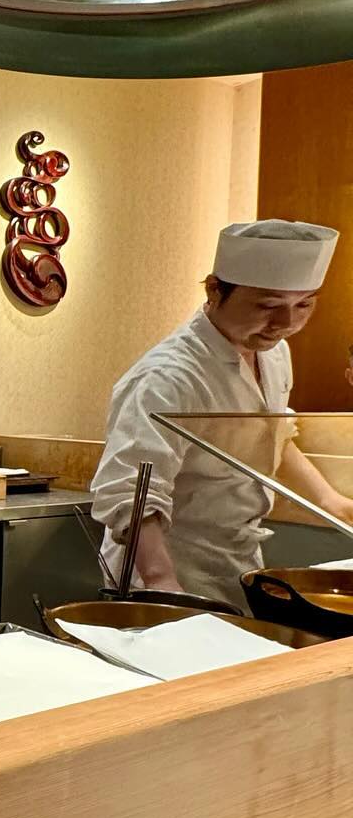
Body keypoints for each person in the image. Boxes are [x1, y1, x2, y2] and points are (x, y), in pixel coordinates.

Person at [92, 219, 353, 610]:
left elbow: (272, 434)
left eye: (304, 304)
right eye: (268, 306)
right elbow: (131, 492)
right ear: (214, 290)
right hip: (167, 567)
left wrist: (333, 502)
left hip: (237, 560)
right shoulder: (167, 376)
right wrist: (162, 582)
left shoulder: (273, 352)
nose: (286, 324)